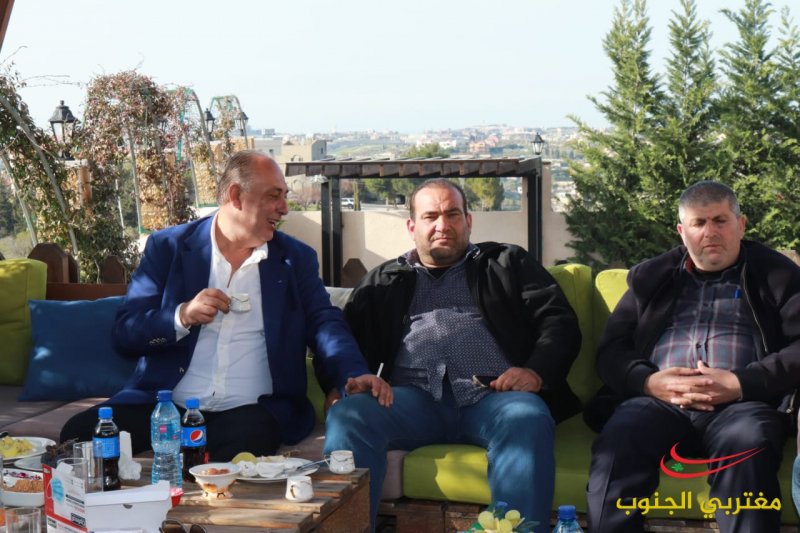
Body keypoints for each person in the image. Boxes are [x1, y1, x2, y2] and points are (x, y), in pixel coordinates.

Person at [60, 150, 391, 459]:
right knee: (79, 435)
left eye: (284, 196)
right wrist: (181, 316)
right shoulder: (168, 248)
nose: (284, 208)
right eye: (274, 196)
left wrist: (352, 375)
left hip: (250, 412)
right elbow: (126, 333)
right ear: (236, 196)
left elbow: (324, 323)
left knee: (244, 440)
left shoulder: (294, 260)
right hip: (164, 407)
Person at [323, 178, 582, 532]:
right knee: (349, 415)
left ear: (468, 221)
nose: (442, 225)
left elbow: (559, 322)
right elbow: (341, 337)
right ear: (412, 226)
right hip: (407, 400)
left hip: (494, 397)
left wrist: (536, 371)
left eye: (452, 214)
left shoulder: (505, 263)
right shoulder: (384, 281)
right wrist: (342, 383)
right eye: (431, 216)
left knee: (528, 416)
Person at [586, 181, 800, 532]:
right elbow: (611, 350)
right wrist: (647, 381)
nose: (709, 232)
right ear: (682, 231)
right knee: (620, 437)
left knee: (749, 445)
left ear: (740, 224)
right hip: (658, 403)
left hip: (742, 406)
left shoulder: (777, 275)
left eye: (720, 220)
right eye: (699, 223)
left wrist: (741, 382)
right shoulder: (651, 277)